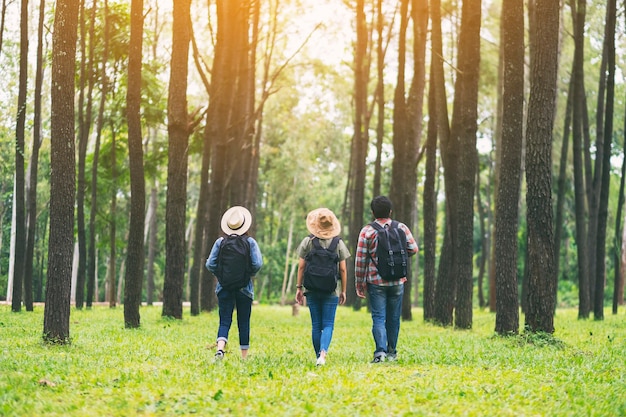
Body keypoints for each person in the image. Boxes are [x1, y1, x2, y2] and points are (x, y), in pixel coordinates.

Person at [355, 196, 418, 363]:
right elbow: (414, 249)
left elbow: (360, 259)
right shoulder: (401, 228)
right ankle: (392, 353)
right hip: (398, 281)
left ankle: (380, 353)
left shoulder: (367, 231)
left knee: (378, 317)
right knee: (394, 317)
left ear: (373, 212)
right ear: (390, 211)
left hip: (376, 282)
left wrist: (360, 283)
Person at [206, 206, 263, 360]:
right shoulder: (250, 242)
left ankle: (220, 349)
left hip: (224, 287)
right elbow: (257, 264)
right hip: (245, 288)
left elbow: (210, 264)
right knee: (243, 321)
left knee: (224, 320)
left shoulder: (220, 242)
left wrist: (221, 275)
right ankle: (244, 357)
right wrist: (247, 274)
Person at [295, 208, 350, 366]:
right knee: (328, 324)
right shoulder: (338, 243)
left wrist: (299, 288)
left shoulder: (308, 241)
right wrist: (344, 291)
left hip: (311, 289)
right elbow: (343, 269)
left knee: (316, 324)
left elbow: (301, 267)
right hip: (331, 290)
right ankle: (323, 354)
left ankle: (318, 355)